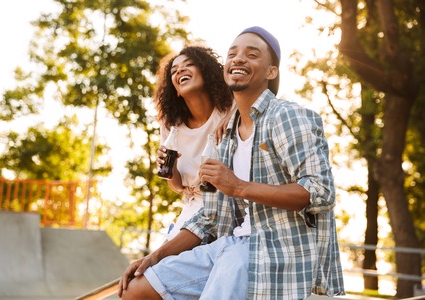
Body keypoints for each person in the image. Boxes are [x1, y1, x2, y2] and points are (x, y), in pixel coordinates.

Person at [118, 26, 345, 299]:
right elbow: (210, 218)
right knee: (136, 289)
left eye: (252, 54)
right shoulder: (224, 138)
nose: (238, 59)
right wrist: (155, 256)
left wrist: (238, 186)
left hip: (275, 247)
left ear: (271, 72)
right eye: (233, 54)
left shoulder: (287, 116)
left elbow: (321, 192)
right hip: (232, 243)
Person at [154, 46, 234, 240]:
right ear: (176, 90)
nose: (180, 70)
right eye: (174, 70)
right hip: (195, 205)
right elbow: (178, 186)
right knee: (157, 264)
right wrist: (170, 168)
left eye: (189, 65)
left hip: (231, 202)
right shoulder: (171, 125)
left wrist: (232, 115)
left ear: (207, 73)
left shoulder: (231, 107)